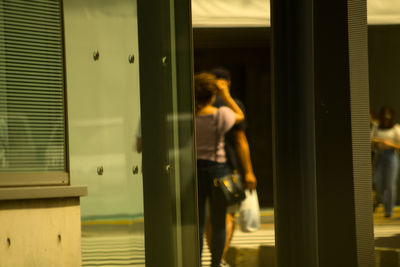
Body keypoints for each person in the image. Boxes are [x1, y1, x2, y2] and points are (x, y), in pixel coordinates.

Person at [205, 68, 257, 267]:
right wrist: (249, 171)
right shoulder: (233, 107)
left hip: (203, 167)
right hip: (228, 168)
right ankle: (220, 259)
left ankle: (216, 258)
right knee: (228, 215)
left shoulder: (200, 104)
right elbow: (241, 141)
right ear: (227, 83)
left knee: (211, 216)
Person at [195, 72, 244, 267]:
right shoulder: (221, 115)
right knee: (218, 222)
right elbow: (240, 115)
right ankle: (216, 264)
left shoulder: (189, 116)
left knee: (197, 223)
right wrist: (226, 96)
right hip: (218, 171)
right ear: (212, 95)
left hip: (195, 171)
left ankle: (195, 262)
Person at [371, 106, 400, 217]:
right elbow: (371, 140)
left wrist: (388, 144)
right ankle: (380, 200)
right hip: (380, 155)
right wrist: (376, 142)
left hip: (391, 156)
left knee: (389, 184)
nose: (386, 119)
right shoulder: (377, 128)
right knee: (376, 181)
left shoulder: (396, 128)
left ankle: (388, 210)